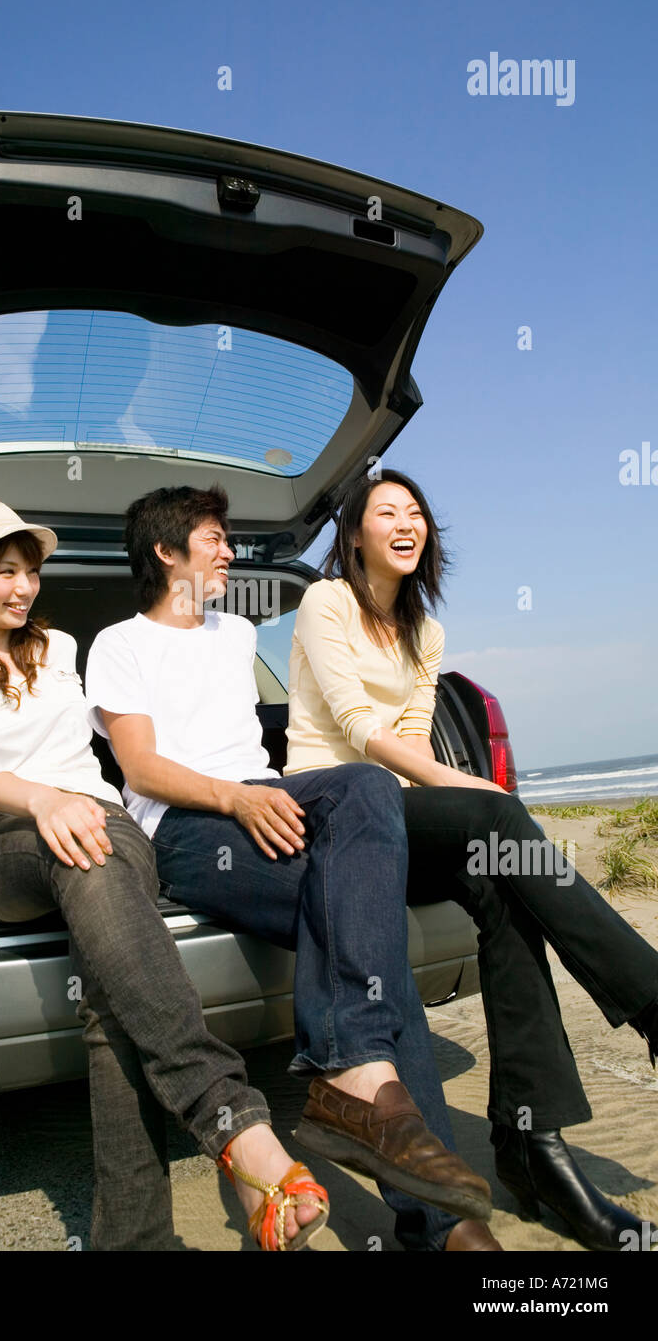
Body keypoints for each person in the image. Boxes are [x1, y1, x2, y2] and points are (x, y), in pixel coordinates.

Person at [85, 484, 502, 1253]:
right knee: (371, 949)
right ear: (165, 553)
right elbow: (139, 768)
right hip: (187, 826)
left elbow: (335, 602)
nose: (229, 550)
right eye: (213, 537)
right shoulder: (119, 643)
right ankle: (444, 1226)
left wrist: (365, 514)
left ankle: (358, 1085)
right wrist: (236, 799)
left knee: (368, 792)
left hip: (270, 800)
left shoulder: (237, 630)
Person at [0, 497, 331, 1253]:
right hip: (5, 844)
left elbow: (116, 762)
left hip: (107, 830)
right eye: (2, 573)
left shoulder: (65, 649)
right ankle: (231, 1118)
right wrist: (44, 801)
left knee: (110, 984)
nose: (23, 587)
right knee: (80, 841)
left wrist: (81, 803)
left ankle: (134, 1242)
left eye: (29, 570)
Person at [284, 466, 658, 1252]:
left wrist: (481, 800)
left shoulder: (427, 631)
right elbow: (362, 732)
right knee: (492, 816)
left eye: (416, 511)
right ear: (354, 535)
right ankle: (650, 998)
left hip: (408, 820)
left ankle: (536, 1146)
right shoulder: (325, 602)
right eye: (386, 511)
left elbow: (416, 741)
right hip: (338, 815)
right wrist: (488, 799)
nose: (406, 522)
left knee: (505, 889)